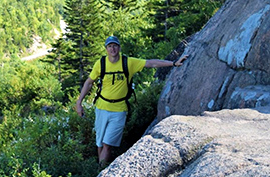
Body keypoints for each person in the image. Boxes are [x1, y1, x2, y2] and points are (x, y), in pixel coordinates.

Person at [75, 36, 189, 167]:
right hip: (101, 107)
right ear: (106, 49)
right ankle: (98, 169)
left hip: (119, 110)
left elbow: (151, 63)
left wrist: (173, 63)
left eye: (115, 46)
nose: (112, 49)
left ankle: (99, 172)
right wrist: (79, 102)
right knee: (100, 143)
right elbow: (89, 82)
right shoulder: (100, 64)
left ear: (119, 47)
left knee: (107, 144)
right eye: (110, 46)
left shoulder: (128, 62)